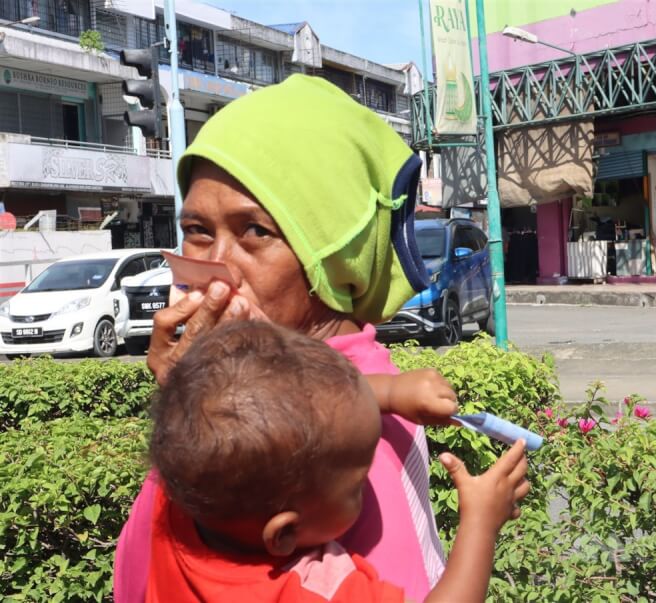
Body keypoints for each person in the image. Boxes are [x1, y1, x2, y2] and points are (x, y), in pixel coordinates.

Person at [115, 74, 456, 603]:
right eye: (198, 229)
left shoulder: (335, 428)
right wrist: (187, 393)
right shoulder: (269, 396)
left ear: (330, 255)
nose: (217, 266)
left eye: (255, 232)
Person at [147, 320, 529, 602]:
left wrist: (391, 392)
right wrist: (480, 522)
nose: (370, 486)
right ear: (283, 535)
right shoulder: (313, 590)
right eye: (358, 484)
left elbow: (280, 403)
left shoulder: (180, 509)